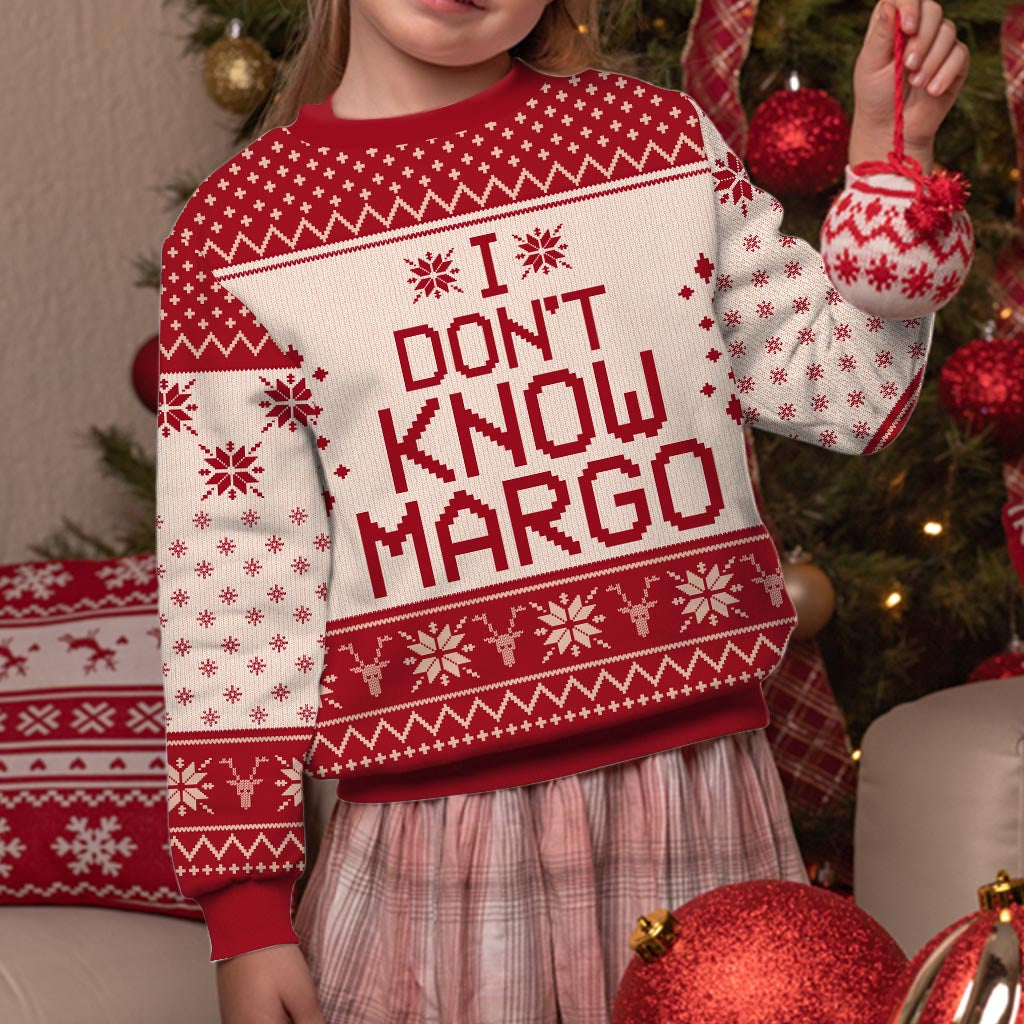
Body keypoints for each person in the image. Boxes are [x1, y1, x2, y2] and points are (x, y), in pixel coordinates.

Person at [155, 1, 969, 1022]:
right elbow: (234, 586)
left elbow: (847, 388)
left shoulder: (653, 144)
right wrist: (247, 913)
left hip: (698, 800)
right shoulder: (240, 231)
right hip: (432, 836)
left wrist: (894, 159)